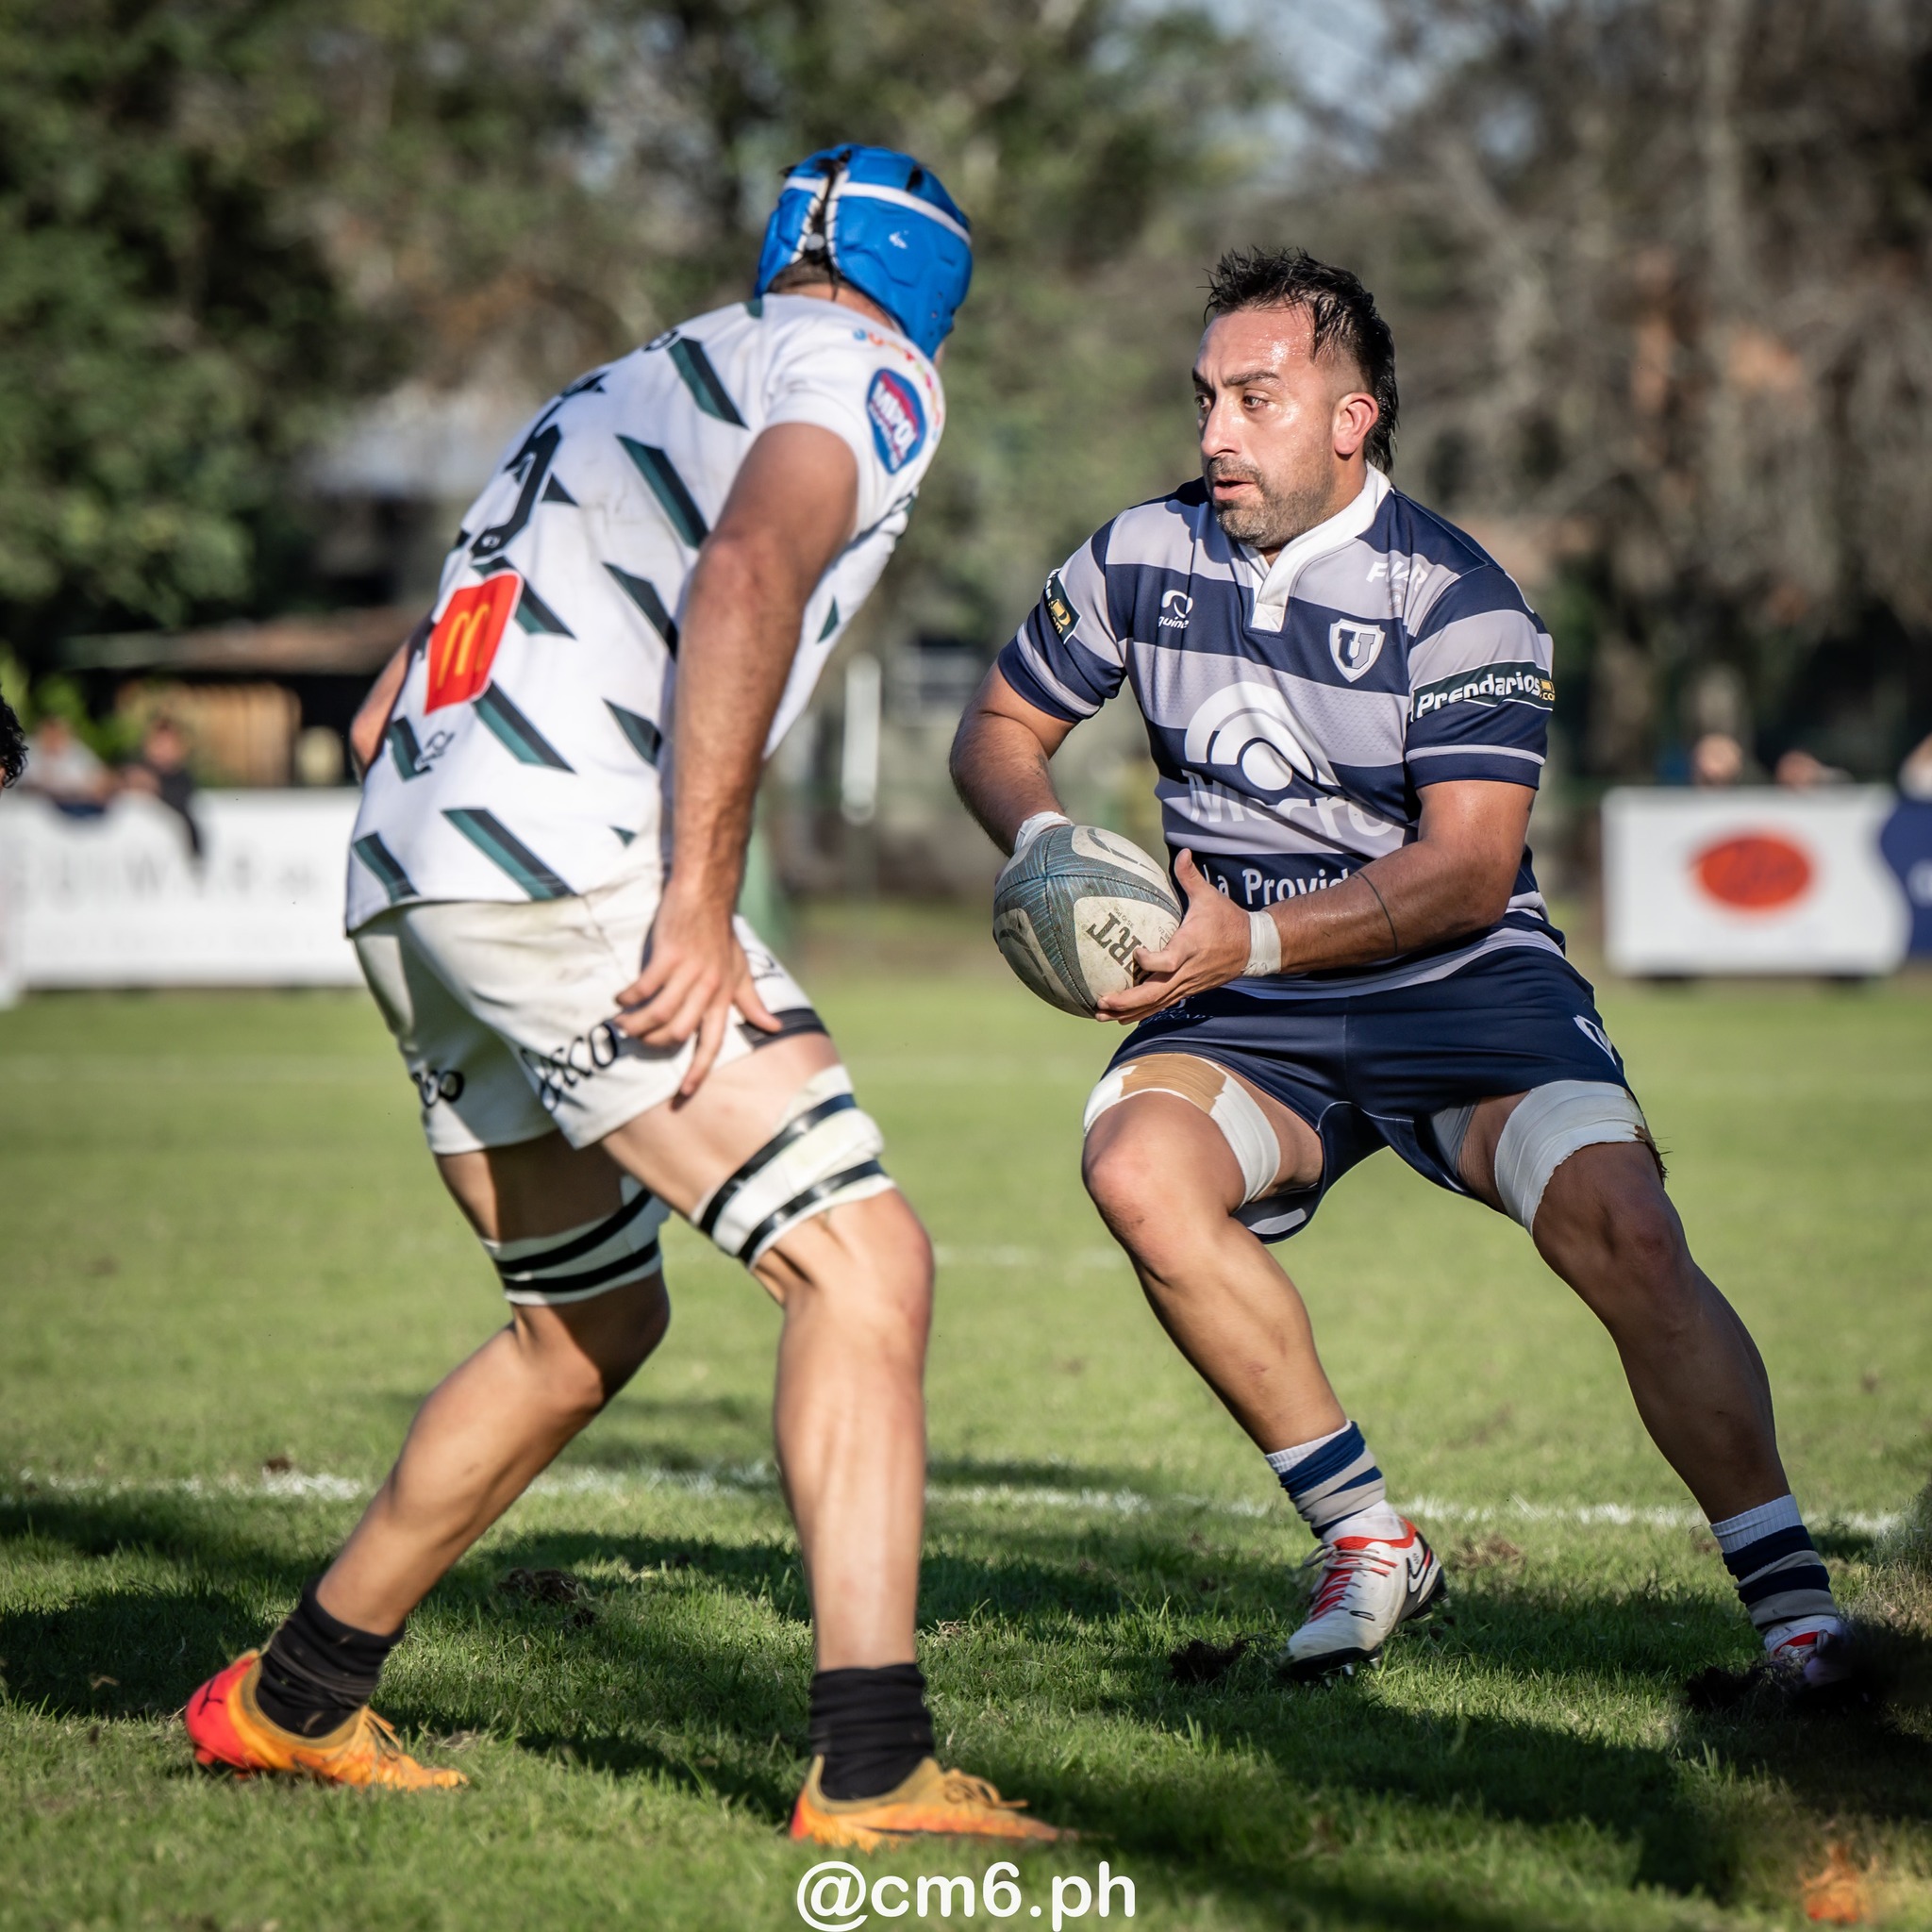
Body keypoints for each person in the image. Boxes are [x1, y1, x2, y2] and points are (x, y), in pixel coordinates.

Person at [185, 144, 1059, 1847]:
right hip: (557, 868)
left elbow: (381, 714)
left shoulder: (620, 386)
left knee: (585, 1321)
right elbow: (749, 574)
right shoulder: (866, 372)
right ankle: (871, 1765)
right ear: (929, 296)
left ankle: (288, 1697)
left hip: (406, 877)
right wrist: (696, 889)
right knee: (861, 1262)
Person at [951, 246, 1848, 1689]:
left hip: (1460, 983)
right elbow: (997, 725)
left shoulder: (1464, 597)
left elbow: (1467, 870)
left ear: (1351, 417)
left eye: (1255, 398)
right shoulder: (1138, 555)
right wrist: (1049, 842)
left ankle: (1798, 1619)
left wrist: (1251, 932)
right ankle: (1369, 1539)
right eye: (1204, 400)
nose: (1215, 434)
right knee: (1135, 1170)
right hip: (1243, 1007)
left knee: (1620, 1221)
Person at [121, 715, 202, 858]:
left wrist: (153, 786)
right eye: (158, 743)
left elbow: (180, 801)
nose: (162, 749)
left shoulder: (182, 779)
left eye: (167, 744)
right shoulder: (135, 771)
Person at [20, 713, 110, 813]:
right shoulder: (27, 750)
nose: (54, 738)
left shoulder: (76, 750)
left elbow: (101, 778)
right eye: (50, 734)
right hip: (35, 809)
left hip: (75, 808)